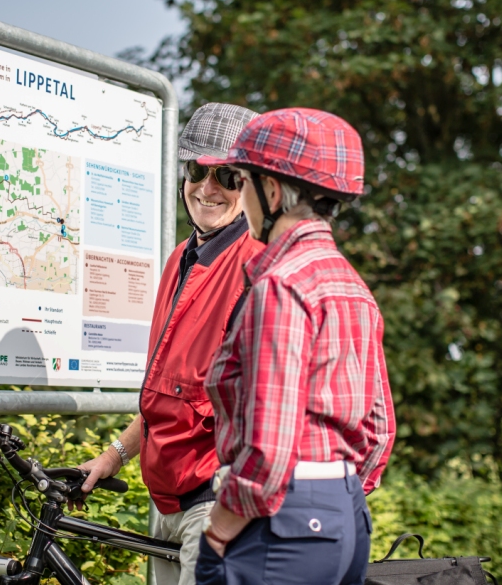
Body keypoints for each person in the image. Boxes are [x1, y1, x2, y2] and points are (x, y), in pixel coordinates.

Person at [193, 108, 396, 585]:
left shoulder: (282, 285)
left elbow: (268, 450)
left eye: (243, 180)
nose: (239, 195)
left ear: (274, 191)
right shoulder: (351, 285)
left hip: (280, 523)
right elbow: (380, 427)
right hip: (345, 516)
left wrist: (219, 530)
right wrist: (332, 493)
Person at [78, 103, 263, 585]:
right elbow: (171, 393)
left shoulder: (256, 266)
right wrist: (114, 454)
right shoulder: (181, 258)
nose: (207, 187)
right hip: (165, 500)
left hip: (215, 500)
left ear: (253, 183)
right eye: (196, 170)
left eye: (226, 174)